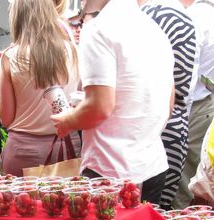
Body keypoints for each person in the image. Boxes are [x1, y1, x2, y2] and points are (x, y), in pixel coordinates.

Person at [52, 0, 175, 204]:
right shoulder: (155, 31)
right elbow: (168, 103)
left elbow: (99, 106)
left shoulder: (99, 29)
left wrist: (69, 120)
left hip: (110, 169)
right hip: (152, 164)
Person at [0, 0, 81, 177]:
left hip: (24, 150)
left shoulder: (11, 56)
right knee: (69, 203)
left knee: (21, 205)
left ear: (17, 16)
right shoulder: (73, 50)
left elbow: (5, 118)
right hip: (67, 146)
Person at [141, 0, 197, 209]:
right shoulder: (181, 18)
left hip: (148, 126)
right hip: (171, 125)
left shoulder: (149, 13)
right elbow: (184, 87)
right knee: (157, 215)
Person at [173, 0, 214, 208]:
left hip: (194, 106)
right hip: (203, 103)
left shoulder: (200, 16)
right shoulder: (203, 14)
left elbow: (186, 72)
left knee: (186, 177)